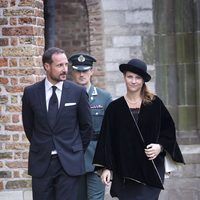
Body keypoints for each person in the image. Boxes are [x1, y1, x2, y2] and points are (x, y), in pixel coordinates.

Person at [93, 58, 185, 200]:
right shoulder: (114, 108)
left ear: (143, 80)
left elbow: (168, 131)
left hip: (151, 168)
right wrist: (106, 168)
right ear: (124, 77)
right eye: (130, 77)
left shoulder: (155, 104)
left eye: (138, 77)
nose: (133, 81)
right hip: (124, 171)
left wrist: (159, 147)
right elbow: (107, 140)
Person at [22, 47, 92, 200]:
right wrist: (42, 145)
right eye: (60, 65)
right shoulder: (31, 93)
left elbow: (86, 127)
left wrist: (75, 150)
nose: (65, 69)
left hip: (69, 163)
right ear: (47, 66)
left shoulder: (77, 92)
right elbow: (29, 127)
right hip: (41, 162)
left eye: (66, 65)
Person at [69, 53, 112, 200]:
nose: (82, 74)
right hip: (73, 159)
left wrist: (107, 165)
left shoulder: (104, 97)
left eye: (85, 70)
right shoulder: (65, 96)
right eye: (78, 70)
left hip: (96, 160)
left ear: (92, 71)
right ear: (72, 72)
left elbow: (110, 133)